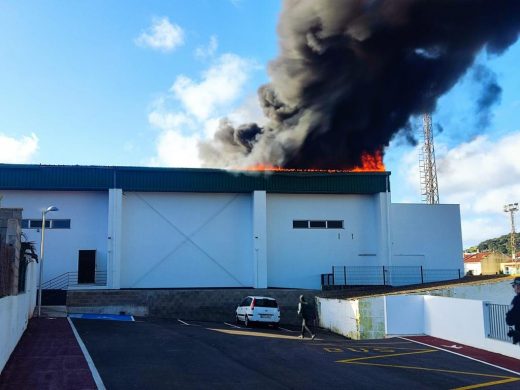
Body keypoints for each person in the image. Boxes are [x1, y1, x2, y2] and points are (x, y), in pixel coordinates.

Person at [506, 277, 520, 345]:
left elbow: (509, 321)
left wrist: (515, 333)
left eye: (514, 286)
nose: (514, 287)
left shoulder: (516, 300)